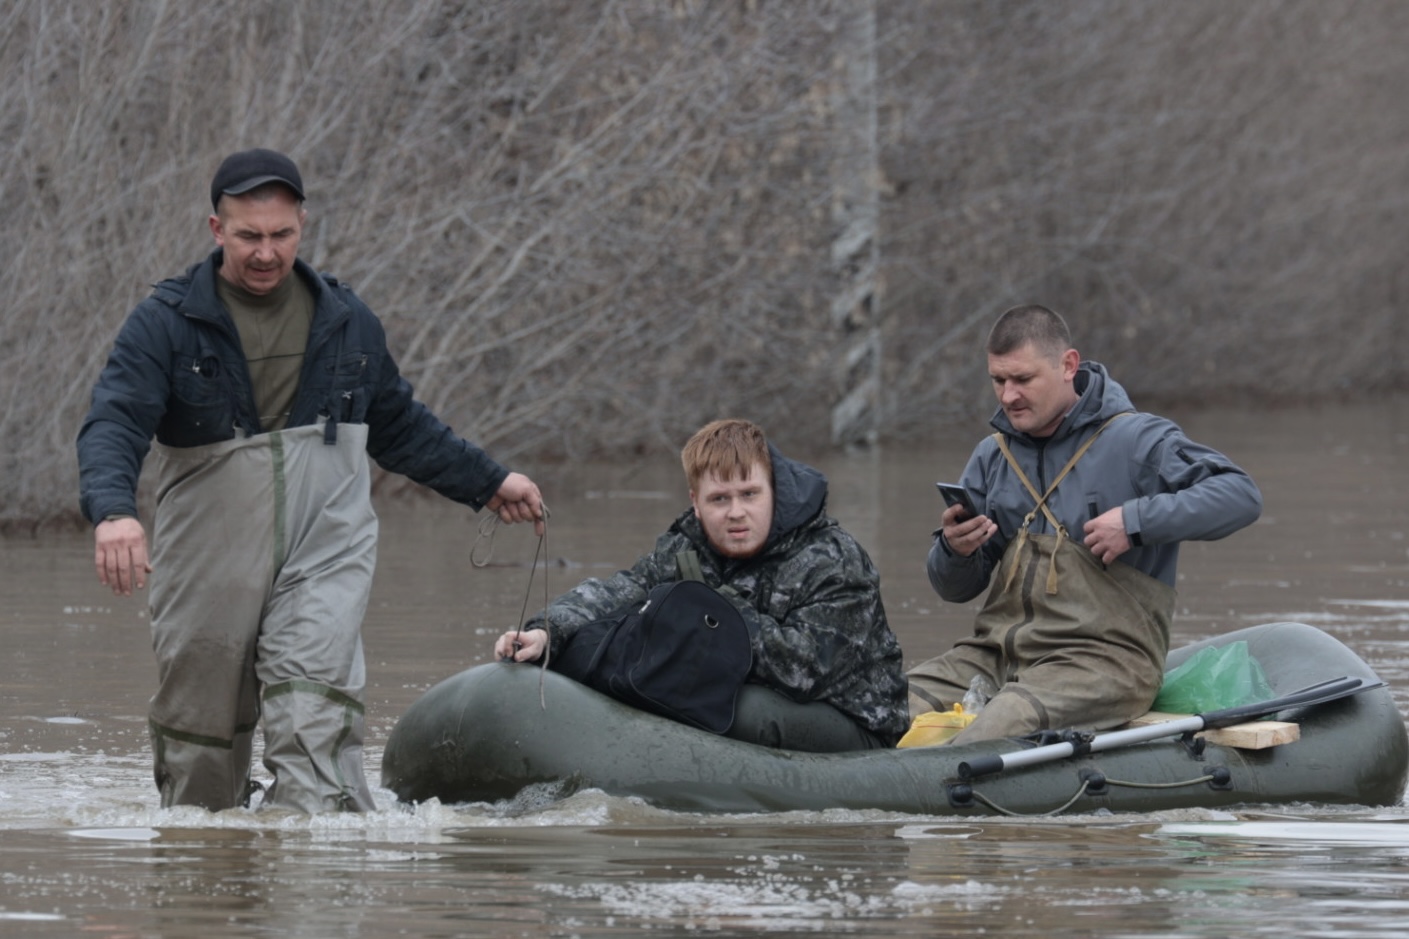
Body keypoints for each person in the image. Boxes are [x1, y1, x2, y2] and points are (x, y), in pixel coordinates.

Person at [77, 148, 545, 813]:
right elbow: (113, 421)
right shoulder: (165, 323)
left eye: (281, 235)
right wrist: (113, 511)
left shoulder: (347, 320)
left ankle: (311, 881)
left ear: (301, 224)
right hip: (209, 554)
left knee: (311, 707)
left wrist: (488, 480)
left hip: (325, 548)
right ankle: (206, 886)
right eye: (249, 236)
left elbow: (398, 425)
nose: (266, 252)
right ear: (216, 230)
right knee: (201, 742)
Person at [907, 304, 1262, 744]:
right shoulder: (991, 455)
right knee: (891, 701)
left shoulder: (1136, 440)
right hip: (995, 657)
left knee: (1003, 721)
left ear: (1068, 366)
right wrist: (954, 552)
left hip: (1105, 664)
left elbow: (1240, 495)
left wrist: (1135, 521)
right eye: (998, 381)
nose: (1008, 396)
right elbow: (954, 590)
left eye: (1023, 380)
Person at [494, 418, 910, 750]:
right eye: (719, 499)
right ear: (696, 501)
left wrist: (712, 615)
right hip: (739, 695)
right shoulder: (687, 545)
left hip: (853, 719)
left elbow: (805, 670)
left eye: (749, 495)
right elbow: (621, 591)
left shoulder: (833, 559)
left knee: (743, 710)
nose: (736, 513)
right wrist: (548, 631)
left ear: (775, 492)